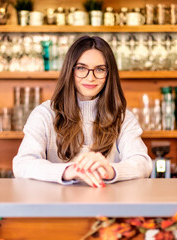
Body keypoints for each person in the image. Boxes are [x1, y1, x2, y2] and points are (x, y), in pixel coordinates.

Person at [13, 35, 152, 187]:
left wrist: (110, 170)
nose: (90, 77)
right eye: (81, 68)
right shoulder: (44, 114)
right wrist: (69, 171)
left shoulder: (123, 117)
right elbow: (22, 164)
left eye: (100, 69)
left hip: (108, 207)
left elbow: (143, 163)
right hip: (57, 206)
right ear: (70, 71)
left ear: (109, 74)